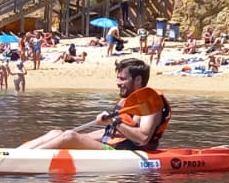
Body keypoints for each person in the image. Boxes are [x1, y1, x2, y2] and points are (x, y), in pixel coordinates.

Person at [17, 58, 170, 152]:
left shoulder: (150, 103)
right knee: (58, 133)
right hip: (114, 145)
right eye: (118, 78)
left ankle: (24, 160)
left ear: (137, 80)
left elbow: (143, 138)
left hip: (126, 153)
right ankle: (15, 153)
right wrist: (82, 138)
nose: (118, 83)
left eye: (122, 79)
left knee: (69, 136)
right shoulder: (128, 101)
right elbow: (113, 133)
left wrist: (115, 122)